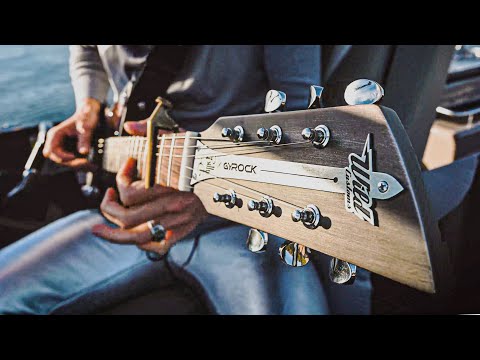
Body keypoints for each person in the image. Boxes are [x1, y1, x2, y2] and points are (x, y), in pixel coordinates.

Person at [0, 45, 372, 314]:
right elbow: (85, 53)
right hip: (127, 207)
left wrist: (210, 197)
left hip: (240, 220)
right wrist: (89, 106)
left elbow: (301, 120)